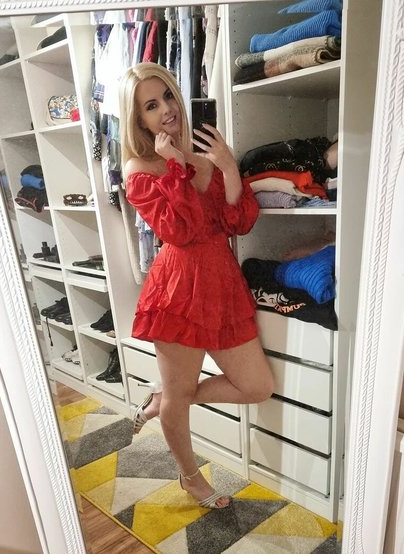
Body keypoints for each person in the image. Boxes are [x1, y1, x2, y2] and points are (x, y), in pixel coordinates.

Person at [119, 62, 274, 510]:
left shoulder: (206, 154)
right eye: (151, 106)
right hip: (177, 289)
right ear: (139, 120)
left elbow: (238, 222)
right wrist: (175, 166)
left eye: (168, 96)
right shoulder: (139, 169)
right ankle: (190, 477)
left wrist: (227, 167)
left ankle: (166, 399)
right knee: (180, 395)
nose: (166, 109)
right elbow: (180, 231)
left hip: (222, 284)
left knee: (256, 386)